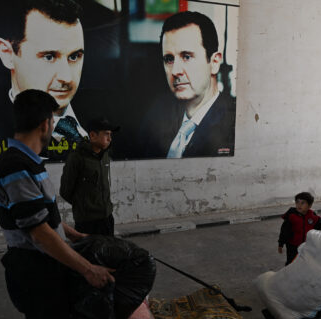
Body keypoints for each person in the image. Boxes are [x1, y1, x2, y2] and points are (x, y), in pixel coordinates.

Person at [0, 89, 115, 319]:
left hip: (46, 269)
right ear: (45, 124)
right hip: (35, 273)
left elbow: (43, 218)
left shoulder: (30, 162)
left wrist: (73, 235)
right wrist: (87, 269)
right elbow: (38, 233)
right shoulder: (15, 166)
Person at [0, 0, 89, 161]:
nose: (66, 77)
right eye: (49, 57)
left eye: (74, 57)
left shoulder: (112, 112)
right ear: (7, 54)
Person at [142, 11, 236, 158]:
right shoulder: (156, 116)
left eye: (186, 56)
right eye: (169, 59)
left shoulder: (236, 123)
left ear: (214, 63)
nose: (176, 71)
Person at [60, 118, 119, 236]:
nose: (110, 139)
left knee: (108, 253)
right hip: (87, 222)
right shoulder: (77, 158)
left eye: (110, 134)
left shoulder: (105, 156)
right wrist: (85, 205)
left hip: (107, 218)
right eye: (106, 134)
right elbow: (65, 191)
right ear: (93, 135)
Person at [277, 192, 321, 265]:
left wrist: (319, 243)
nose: (299, 205)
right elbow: (284, 231)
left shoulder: (314, 217)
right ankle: (289, 274)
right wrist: (281, 244)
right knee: (291, 262)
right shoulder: (291, 216)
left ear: (309, 206)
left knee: (306, 262)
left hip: (307, 245)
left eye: (303, 203)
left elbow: (319, 232)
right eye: (297, 202)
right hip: (293, 245)